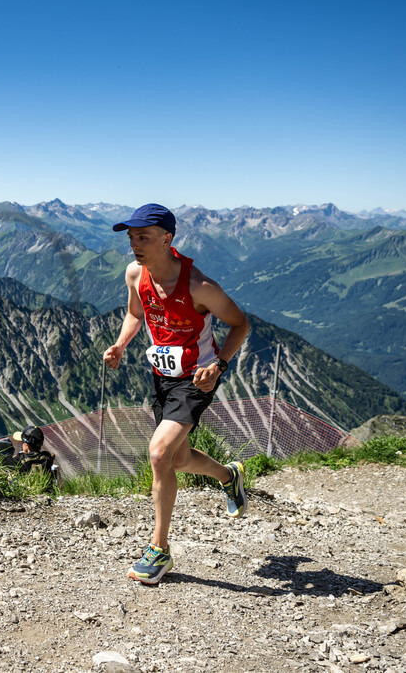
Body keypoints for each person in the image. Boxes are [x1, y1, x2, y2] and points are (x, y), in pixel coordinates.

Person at [103, 203, 250, 585]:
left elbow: (240, 324)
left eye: (144, 237)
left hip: (196, 378)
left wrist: (218, 365)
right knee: (178, 458)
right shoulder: (135, 274)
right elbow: (136, 314)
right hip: (161, 376)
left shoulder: (199, 286)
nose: (135, 244)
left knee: (158, 453)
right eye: (132, 236)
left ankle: (159, 550)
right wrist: (121, 344)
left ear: (167, 239)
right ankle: (228, 475)